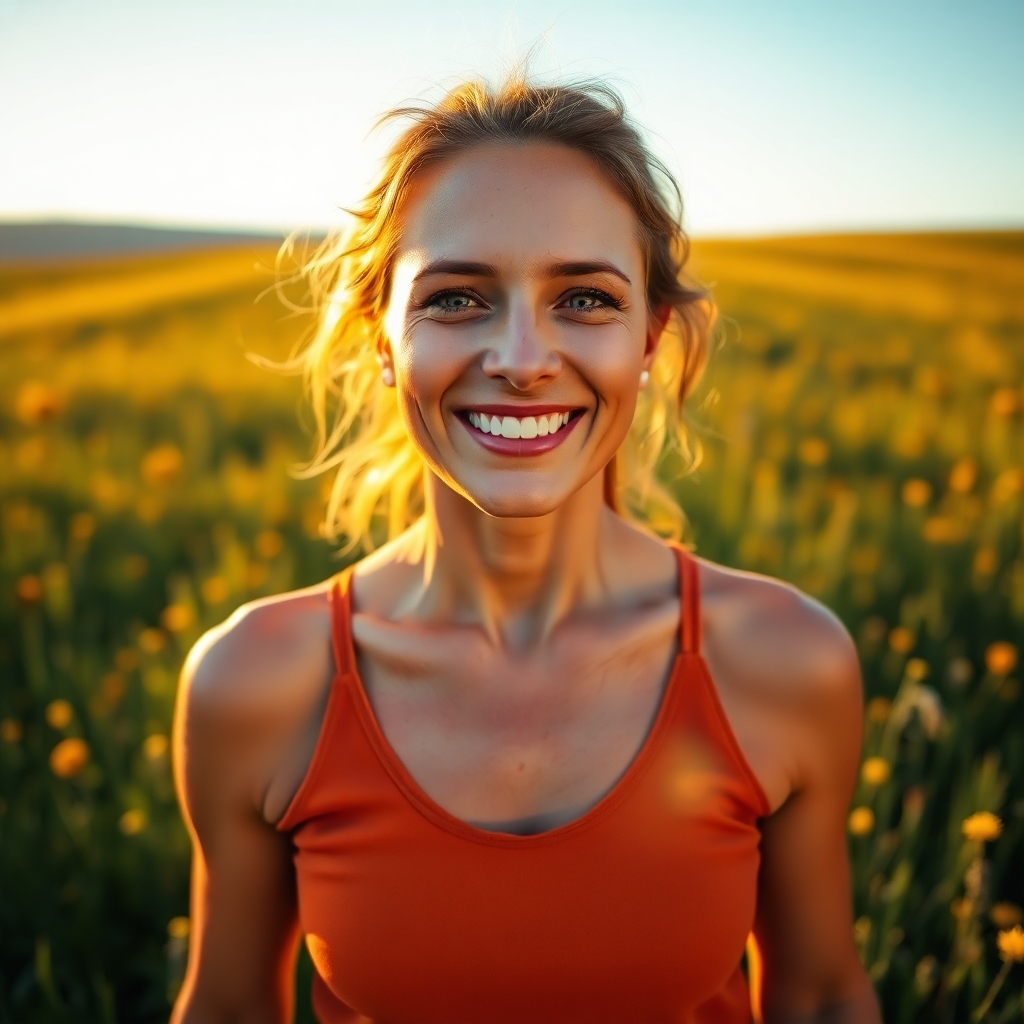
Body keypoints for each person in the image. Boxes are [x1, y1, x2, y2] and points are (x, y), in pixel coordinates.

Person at [170, 76, 881, 1024]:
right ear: (384, 340)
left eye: (584, 298)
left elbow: (825, 998)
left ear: (650, 337)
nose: (521, 358)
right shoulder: (255, 684)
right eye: (458, 298)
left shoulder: (785, 661)